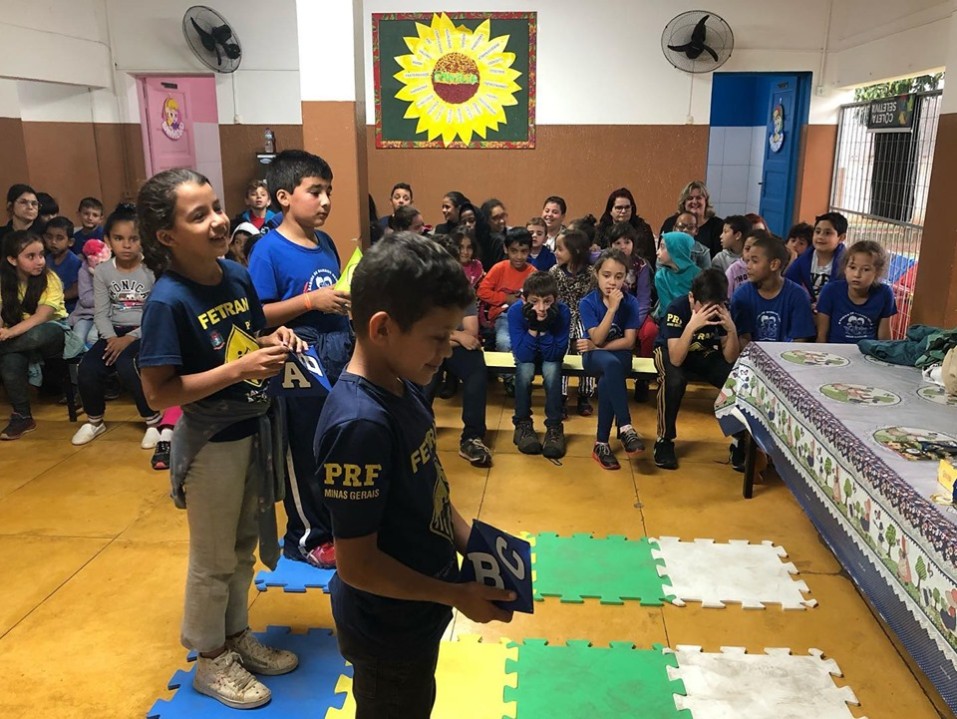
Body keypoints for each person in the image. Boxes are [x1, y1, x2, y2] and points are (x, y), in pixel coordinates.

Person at [311, 233, 515, 718]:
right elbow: (357, 566)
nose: (448, 350)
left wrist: (479, 545)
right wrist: (457, 594)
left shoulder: (405, 384)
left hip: (418, 610)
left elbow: (432, 495)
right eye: (437, 337)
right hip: (386, 630)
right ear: (382, 328)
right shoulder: (360, 426)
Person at [137, 168, 303, 710]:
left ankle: (234, 638)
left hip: (251, 428)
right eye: (199, 215)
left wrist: (272, 337)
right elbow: (159, 393)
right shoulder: (168, 300)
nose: (218, 220)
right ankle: (209, 659)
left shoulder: (233, 273)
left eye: (215, 206)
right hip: (210, 443)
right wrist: (240, 371)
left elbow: (244, 337)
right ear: (166, 236)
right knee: (211, 558)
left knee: (241, 547)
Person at [247, 149, 354, 571]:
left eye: (329, 191)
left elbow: (333, 295)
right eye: (315, 191)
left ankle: (335, 524)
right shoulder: (267, 251)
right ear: (284, 196)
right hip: (297, 358)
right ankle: (307, 535)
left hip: (337, 351)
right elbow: (258, 315)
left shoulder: (325, 242)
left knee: (334, 444)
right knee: (303, 448)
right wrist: (311, 300)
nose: (326, 200)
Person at [71, 204, 160, 447]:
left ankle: (153, 420)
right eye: (119, 238)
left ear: (143, 240)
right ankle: (94, 420)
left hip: (145, 332)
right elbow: (100, 313)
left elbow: (156, 313)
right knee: (87, 366)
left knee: (127, 363)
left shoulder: (151, 270)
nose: (127, 245)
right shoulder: (102, 271)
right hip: (113, 333)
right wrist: (111, 339)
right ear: (108, 240)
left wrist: (130, 338)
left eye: (133, 238)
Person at [653, 269, 742, 470]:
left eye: (717, 307)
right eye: (706, 307)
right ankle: (664, 440)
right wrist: (692, 326)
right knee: (674, 380)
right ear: (693, 298)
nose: (711, 312)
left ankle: (739, 440)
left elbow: (730, 357)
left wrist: (731, 330)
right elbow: (676, 359)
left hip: (703, 352)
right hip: (670, 350)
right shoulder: (677, 308)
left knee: (734, 377)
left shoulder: (722, 312)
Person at [424, 234, 493, 467]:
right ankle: (416, 433)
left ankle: (472, 437)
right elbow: (418, 332)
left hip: (451, 346)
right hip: (427, 346)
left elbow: (471, 333)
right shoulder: (417, 287)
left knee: (476, 366)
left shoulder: (462, 288)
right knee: (422, 373)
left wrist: (445, 336)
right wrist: (455, 335)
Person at [579, 248, 644, 471]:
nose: (612, 282)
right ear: (596, 274)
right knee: (610, 365)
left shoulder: (631, 302)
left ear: (626, 277)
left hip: (619, 357)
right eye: (606, 275)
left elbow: (629, 342)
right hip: (594, 359)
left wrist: (596, 344)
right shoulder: (587, 303)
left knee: (610, 376)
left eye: (619, 276)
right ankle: (625, 427)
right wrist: (612, 309)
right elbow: (596, 335)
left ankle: (601, 444)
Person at [0, 230, 68, 439]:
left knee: (37, 334)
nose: (39, 261)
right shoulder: (4, 281)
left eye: (41, 255)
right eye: (31, 256)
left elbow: (41, 317)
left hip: (53, 331)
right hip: (17, 337)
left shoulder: (50, 278)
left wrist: (8, 333)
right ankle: (23, 416)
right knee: (10, 358)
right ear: (12, 259)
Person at [509, 271, 570, 458]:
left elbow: (555, 354)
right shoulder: (515, 312)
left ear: (556, 300)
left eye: (548, 301)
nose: (541, 308)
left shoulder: (563, 312)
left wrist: (545, 330)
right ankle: (522, 424)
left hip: (549, 354)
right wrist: (534, 327)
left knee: (552, 369)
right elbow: (523, 355)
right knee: (525, 370)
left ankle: (554, 426)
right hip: (527, 353)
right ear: (523, 299)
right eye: (534, 302)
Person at [731, 234, 816, 343]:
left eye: (755, 261)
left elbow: (800, 339)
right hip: (752, 358)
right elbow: (743, 339)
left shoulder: (798, 295)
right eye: (748, 261)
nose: (748, 266)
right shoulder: (741, 295)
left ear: (774, 264)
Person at [550, 228, 595, 416]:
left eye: (560, 249)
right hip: (562, 317)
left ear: (575, 251)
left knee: (587, 346)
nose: (555, 253)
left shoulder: (592, 274)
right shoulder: (554, 273)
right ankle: (560, 395)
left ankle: (585, 394)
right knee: (562, 349)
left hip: (585, 318)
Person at [608, 222, 655, 402]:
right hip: (610, 311)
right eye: (617, 243)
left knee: (651, 332)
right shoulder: (604, 261)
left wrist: (635, 325)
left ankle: (642, 380)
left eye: (627, 242)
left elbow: (644, 300)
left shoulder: (641, 266)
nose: (622, 247)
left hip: (636, 313)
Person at [816, 240, 897, 344]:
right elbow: (821, 336)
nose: (857, 274)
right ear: (845, 268)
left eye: (866, 269)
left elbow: (884, 338)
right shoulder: (830, 291)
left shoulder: (884, 294)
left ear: (877, 272)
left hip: (868, 351)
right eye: (852, 267)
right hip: (835, 351)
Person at [477, 227, 535, 355]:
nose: (519, 256)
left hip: (525, 317)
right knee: (503, 342)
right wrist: (505, 298)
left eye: (524, 251)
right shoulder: (499, 268)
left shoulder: (532, 273)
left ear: (530, 251)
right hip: (502, 316)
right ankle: (509, 375)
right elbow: (482, 291)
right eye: (514, 251)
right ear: (505, 249)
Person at [785, 212, 848, 307]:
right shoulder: (803, 260)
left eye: (827, 233)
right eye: (817, 232)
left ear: (841, 237)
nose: (820, 237)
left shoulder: (847, 263)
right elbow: (789, 284)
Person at [659, 181, 724, 257]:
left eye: (698, 198)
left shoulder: (718, 226)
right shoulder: (670, 223)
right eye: (690, 198)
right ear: (684, 202)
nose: (694, 201)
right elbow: (661, 253)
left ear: (706, 201)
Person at [68, 238, 111, 349]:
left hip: (106, 315)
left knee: (92, 337)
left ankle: (92, 363)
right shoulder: (84, 271)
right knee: (77, 338)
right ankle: (76, 364)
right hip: (85, 314)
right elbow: (85, 300)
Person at [654, 232, 701, 321]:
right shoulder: (660, 277)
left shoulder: (698, 274)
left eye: (662, 247)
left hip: (695, 317)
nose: (657, 252)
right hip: (671, 319)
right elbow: (667, 308)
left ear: (676, 250)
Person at [596, 188, 655, 257]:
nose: (623, 211)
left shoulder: (644, 229)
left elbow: (651, 258)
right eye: (619, 208)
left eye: (627, 207)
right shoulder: (600, 231)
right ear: (610, 211)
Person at [43, 216, 81, 313]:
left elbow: (76, 290)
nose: (53, 242)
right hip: (48, 308)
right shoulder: (46, 259)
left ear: (70, 242)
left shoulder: (74, 262)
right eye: (49, 237)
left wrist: (53, 299)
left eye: (59, 238)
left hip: (69, 310)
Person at [725, 228, 764, 300]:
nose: (750, 254)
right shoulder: (733, 269)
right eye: (747, 248)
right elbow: (726, 297)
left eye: (755, 250)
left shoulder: (764, 269)